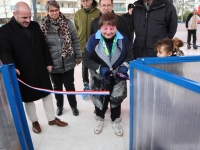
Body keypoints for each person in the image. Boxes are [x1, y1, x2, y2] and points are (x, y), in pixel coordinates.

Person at [0, 2, 68, 134]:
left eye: (29, 17)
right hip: (24, 70)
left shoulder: (35, 25)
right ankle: (34, 122)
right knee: (28, 98)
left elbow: (43, 45)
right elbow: (4, 51)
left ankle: (52, 118)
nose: (28, 20)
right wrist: (11, 67)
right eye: (24, 18)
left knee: (47, 93)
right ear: (15, 14)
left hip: (40, 67)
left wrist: (48, 62)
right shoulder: (5, 31)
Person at [83, 13, 134, 136]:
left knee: (116, 98)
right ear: (100, 27)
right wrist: (100, 68)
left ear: (116, 27)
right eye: (105, 28)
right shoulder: (93, 40)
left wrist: (124, 67)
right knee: (100, 99)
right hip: (100, 76)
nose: (108, 31)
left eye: (112, 28)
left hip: (117, 77)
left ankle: (116, 120)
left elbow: (130, 56)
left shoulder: (124, 39)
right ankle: (100, 118)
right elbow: (86, 59)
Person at [40, 0, 82, 116]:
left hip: (68, 61)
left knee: (70, 86)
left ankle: (73, 106)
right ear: (47, 12)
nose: (54, 13)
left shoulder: (67, 23)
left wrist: (78, 55)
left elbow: (75, 40)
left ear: (59, 10)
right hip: (52, 64)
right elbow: (41, 46)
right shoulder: (43, 26)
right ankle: (59, 106)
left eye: (56, 10)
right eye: (51, 11)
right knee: (57, 87)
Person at [74, 0, 100, 91]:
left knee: (94, 65)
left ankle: (96, 82)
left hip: (95, 45)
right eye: (83, 1)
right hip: (82, 45)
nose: (85, 3)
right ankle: (86, 84)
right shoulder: (77, 14)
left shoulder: (98, 12)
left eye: (87, 1)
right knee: (84, 65)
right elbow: (76, 29)